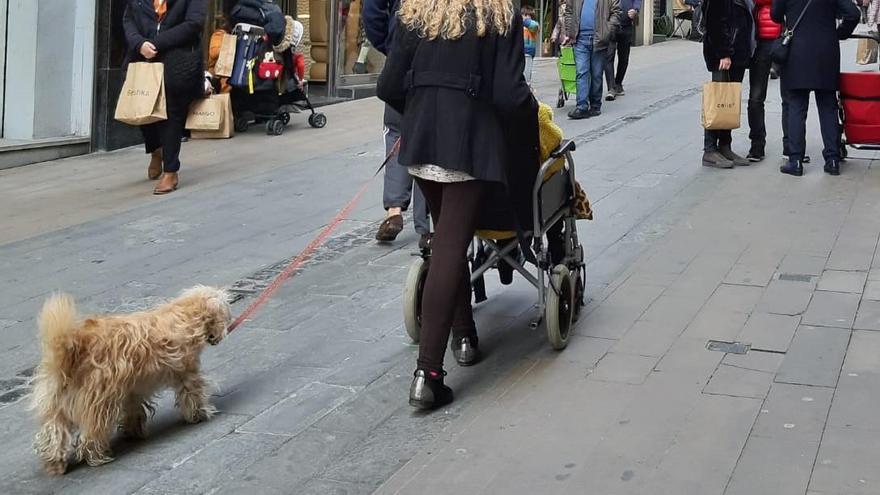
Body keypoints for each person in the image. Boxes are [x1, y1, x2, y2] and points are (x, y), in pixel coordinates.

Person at [377, 0, 538, 409]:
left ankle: (464, 335)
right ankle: (428, 374)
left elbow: (388, 85)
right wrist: (530, 117)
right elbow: (508, 93)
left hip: (421, 141)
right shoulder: (499, 14)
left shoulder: (418, 11)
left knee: (447, 236)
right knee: (451, 247)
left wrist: (424, 104)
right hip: (467, 142)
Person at [363, 0, 432, 247]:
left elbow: (373, 12)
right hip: (439, 60)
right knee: (431, 139)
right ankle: (427, 225)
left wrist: (391, 47)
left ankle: (394, 211)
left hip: (401, 58)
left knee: (396, 133)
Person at [123, 0, 208, 195]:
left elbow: (194, 23)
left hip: (177, 60)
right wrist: (139, 43)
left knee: (171, 113)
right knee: (141, 107)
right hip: (142, 56)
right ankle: (156, 149)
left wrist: (156, 43)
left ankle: (170, 171)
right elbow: (128, 20)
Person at [772, 0, 859, 176]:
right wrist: (840, 33)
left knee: (796, 106)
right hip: (826, 51)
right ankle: (832, 160)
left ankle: (795, 161)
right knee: (828, 107)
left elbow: (775, 14)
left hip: (797, 51)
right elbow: (853, 13)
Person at [700, 0, 755, 168]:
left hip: (737, 54)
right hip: (723, 54)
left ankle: (725, 146)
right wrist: (724, 53)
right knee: (718, 100)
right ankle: (709, 150)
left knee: (729, 101)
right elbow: (715, 21)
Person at [564, 0, 622, 119]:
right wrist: (571, 32)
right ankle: (582, 107)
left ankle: (595, 105)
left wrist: (607, 31)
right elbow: (569, 11)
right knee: (581, 72)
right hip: (580, 39)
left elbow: (616, 12)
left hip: (599, 39)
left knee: (596, 74)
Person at [745, 0, 783, 162]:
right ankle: (757, 144)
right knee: (756, 97)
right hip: (761, 41)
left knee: (791, 98)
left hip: (783, 39)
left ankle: (792, 146)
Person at [604, 0, 640, 101]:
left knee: (624, 58)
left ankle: (618, 83)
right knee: (608, 56)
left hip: (626, 25)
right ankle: (611, 88)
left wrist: (635, 9)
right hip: (610, 25)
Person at [522, 5, 540, 83]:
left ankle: (527, 89)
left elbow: (534, 26)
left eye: (529, 15)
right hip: (520, 52)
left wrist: (524, 20)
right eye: (525, 15)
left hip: (528, 52)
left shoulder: (534, 25)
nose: (527, 17)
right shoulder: (521, 25)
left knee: (526, 75)